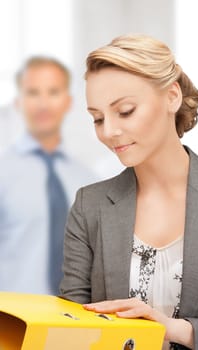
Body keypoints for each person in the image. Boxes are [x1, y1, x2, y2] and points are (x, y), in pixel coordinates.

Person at [59, 35, 198, 349]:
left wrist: (175, 329)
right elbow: (69, 329)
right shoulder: (90, 206)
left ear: (171, 96)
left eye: (125, 111)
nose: (109, 131)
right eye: (97, 118)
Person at [0, 56, 96, 295]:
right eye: (33, 92)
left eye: (53, 92)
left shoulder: (88, 181)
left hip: (74, 321)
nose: (43, 104)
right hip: (10, 322)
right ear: (18, 102)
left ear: (68, 102)